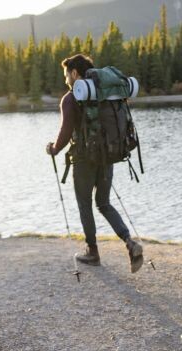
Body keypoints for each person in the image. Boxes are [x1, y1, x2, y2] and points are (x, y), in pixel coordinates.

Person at [46, 53, 144, 273]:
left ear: (74, 73)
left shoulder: (72, 98)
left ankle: (92, 252)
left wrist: (53, 148)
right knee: (104, 203)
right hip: (107, 156)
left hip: (83, 159)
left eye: (66, 75)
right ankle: (130, 242)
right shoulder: (105, 94)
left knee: (85, 203)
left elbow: (66, 131)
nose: (66, 80)